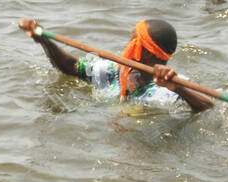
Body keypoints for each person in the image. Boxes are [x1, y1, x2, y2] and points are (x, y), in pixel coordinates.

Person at [17, 17, 214, 112]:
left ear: (144, 51)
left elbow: (208, 107)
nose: (128, 44)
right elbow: (71, 67)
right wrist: (44, 40)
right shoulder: (115, 72)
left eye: (133, 40)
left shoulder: (170, 87)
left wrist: (180, 89)